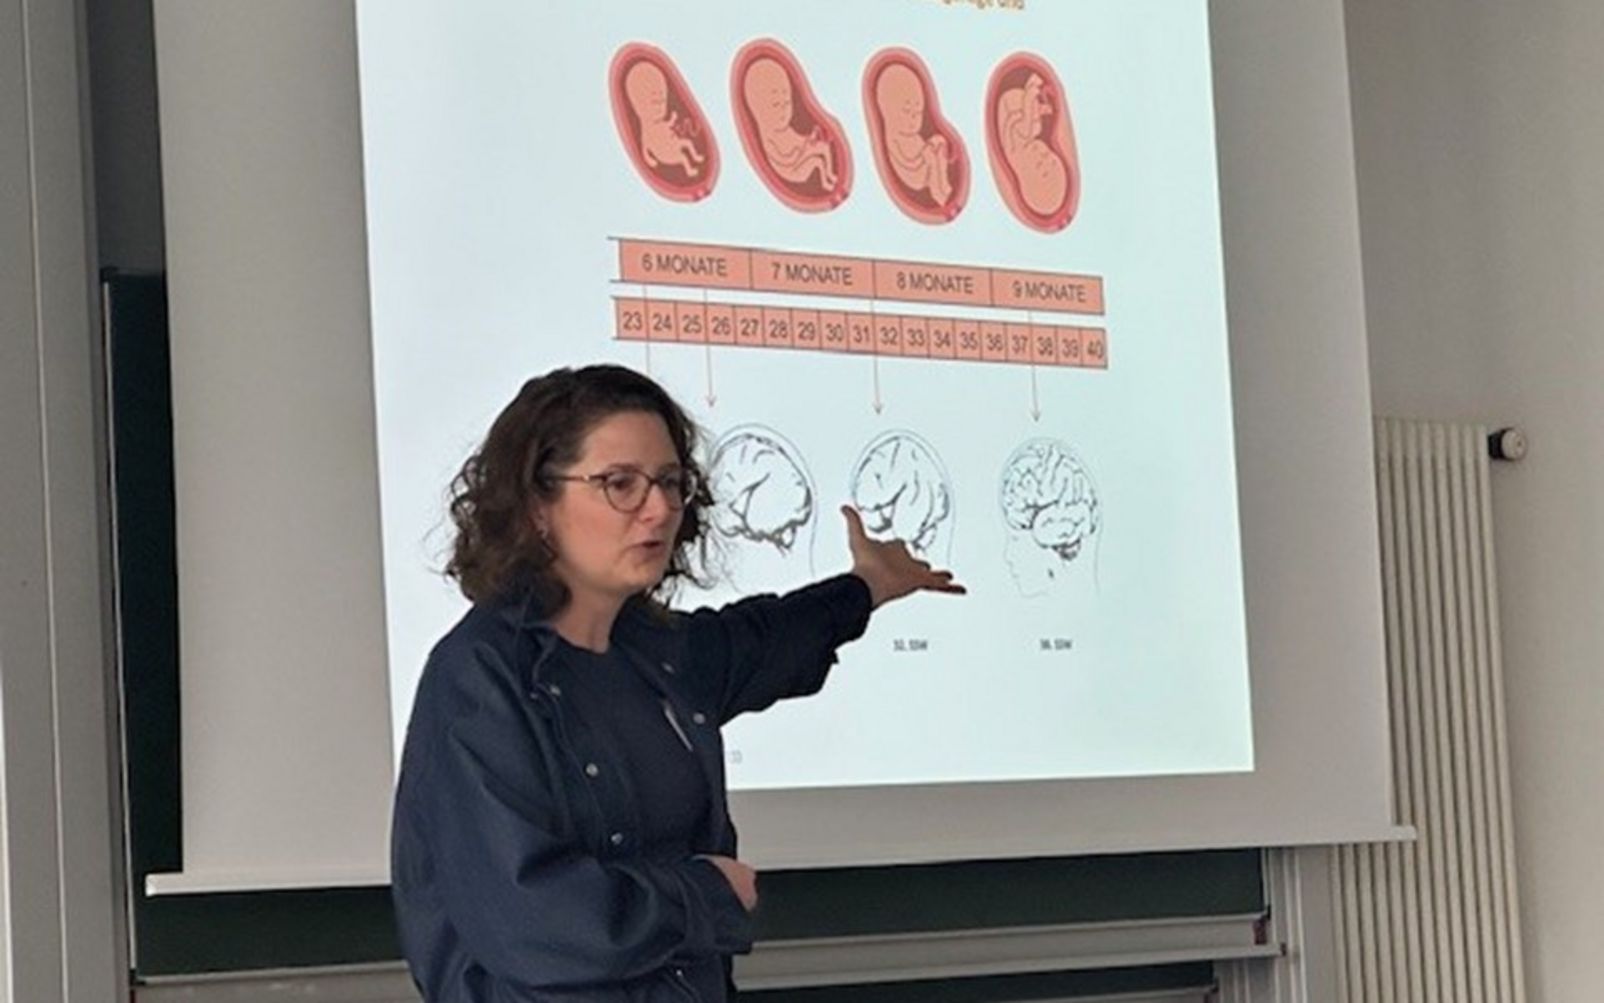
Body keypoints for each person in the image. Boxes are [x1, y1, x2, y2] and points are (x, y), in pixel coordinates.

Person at [391, 364, 964, 1002]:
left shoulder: (654, 654)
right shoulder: (479, 679)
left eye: (669, 482)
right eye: (620, 484)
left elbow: (765, 638)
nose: (660, 508)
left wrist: (869, 584)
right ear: (537, 507)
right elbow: (533, 923)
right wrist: (706, 894)